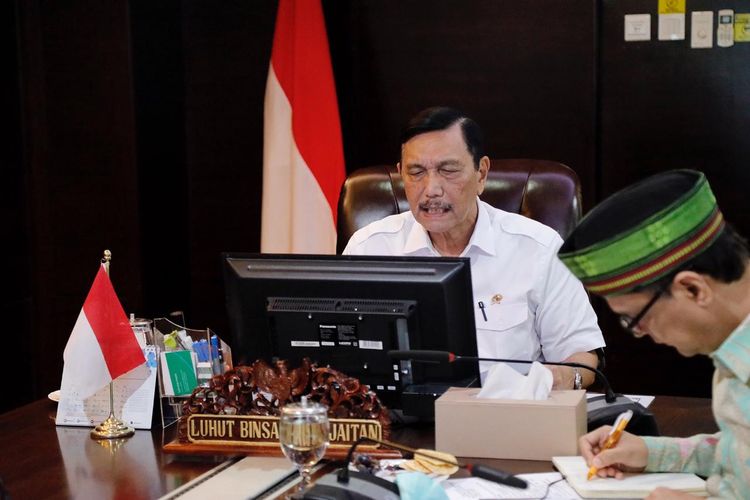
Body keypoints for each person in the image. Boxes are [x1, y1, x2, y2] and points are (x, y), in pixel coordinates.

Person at [343, 107, 604, 389]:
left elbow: (581, 356)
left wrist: (558, 379)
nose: (431, 189)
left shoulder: (538, 247)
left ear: (481, 173)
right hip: (396, 423)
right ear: (400, 175)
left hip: (505, 420)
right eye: (416, 172)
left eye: (449, 171)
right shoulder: (369, 248)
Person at [558, 169, 750, 498]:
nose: (640, 333)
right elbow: (738, 451)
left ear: (692, 288)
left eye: (635, 318)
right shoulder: (733, 348)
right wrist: (652, 452)